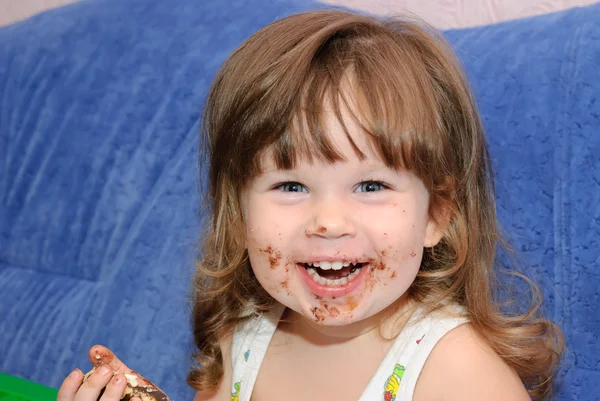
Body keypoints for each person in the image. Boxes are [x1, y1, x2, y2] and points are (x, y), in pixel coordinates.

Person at [57, 9, 564, 401]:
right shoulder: (243, 343)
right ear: (239, 216)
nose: (328, 222)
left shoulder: (457, 371)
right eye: (291, 186)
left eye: (370, 186)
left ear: (437, 214)